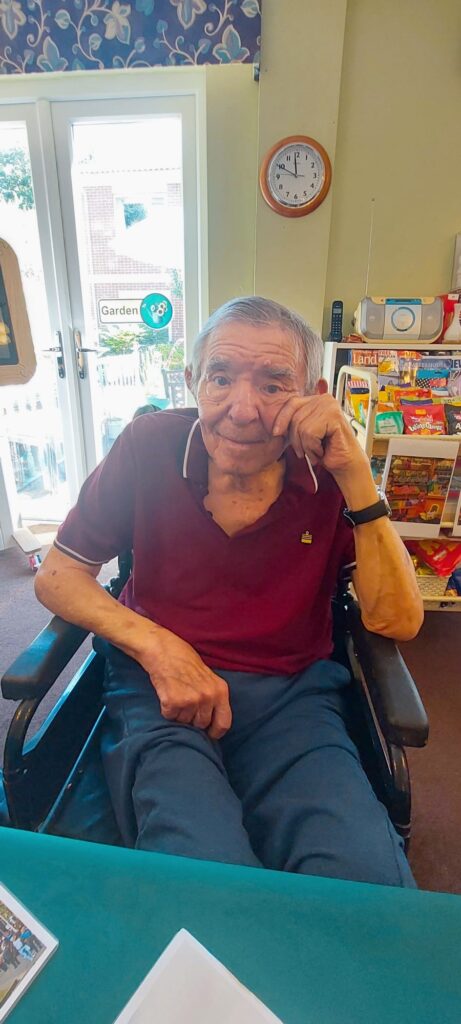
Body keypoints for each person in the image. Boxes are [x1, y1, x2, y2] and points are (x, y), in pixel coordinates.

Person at [35, 296, 423, 887]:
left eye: (273, 385)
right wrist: (160, 647)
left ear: (313, 394)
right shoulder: (148, 446)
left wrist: (357, 479)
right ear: (192, 381)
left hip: (292, 697)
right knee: (204, 874)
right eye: (220, 378)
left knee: (362, 881)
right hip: (158, 688)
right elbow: (57, 575)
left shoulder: (329, 470)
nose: (242, 411)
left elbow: (398, 621)